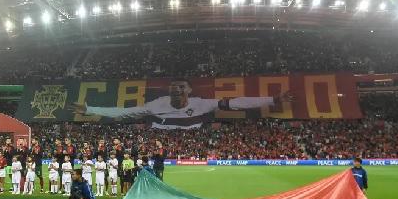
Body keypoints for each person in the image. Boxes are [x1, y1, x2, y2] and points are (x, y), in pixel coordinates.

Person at [71, 79, 293, 129]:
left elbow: (238, 102)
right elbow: (125, 111)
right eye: (173, 87)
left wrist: (273, 99)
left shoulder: (202, 104)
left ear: (188, 91)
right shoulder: (158, 104)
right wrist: (90, 109)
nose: (176, 90)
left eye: (181, 87)